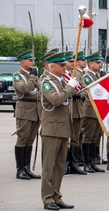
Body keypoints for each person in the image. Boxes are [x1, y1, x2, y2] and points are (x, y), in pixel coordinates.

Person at [40, 52, 76, 210]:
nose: (65, 67)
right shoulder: (47, 82)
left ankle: (57, 196)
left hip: (63, 128)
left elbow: (67, 97)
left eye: (64, 64)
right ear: (51, 67)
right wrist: (69, 88)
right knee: (49, 166)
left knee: (60, 165)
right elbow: (56, 99)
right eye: (61, 65)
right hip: (52, 128)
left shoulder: (61, 80)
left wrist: (71, 87)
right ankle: (48, 199)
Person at [12, 49, 41, 180]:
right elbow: (25, 89)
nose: (32, 62)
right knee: (23, 138)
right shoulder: (18, 75)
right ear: (23, 62)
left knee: (30, 139)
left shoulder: (32, 74)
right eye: (30, 60)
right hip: (24, 108)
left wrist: (35, 77)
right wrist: (33, 77)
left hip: (35, 109)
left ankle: (27, 167)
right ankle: (20, 169)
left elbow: (39, 88)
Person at [80, 52, 105, 173]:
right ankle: (86, 163)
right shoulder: (87, 77)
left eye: (101, 62)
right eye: (98, 62)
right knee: (88, 136)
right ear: (90, 64)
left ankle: (92, 161)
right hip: (90, 109)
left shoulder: (98, 76)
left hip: (98, 109)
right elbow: (94, 92)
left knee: (95, 137)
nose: (101, 64)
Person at [63, 51, 86, 175]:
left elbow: (84, 89)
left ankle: (74, 163)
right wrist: (72, 93)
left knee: (76, 138)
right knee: (67, 137)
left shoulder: (74, 75)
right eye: (70, 61)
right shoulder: (61, 76)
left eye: (73, 61)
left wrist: (79, 94)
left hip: (77, 108)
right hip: (68, 108)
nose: (72, 63)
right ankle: (65, 164)